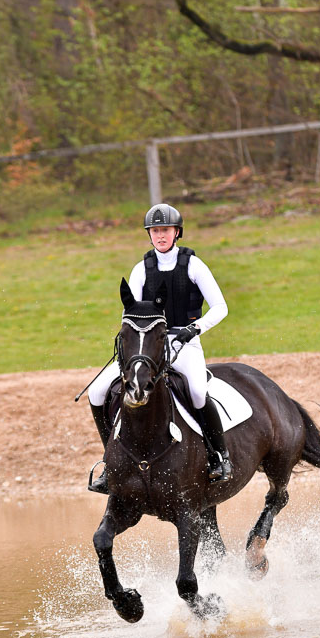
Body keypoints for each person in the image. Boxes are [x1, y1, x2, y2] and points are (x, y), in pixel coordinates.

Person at [88, 202, 233, 493]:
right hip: (147, 346)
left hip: (185, 341)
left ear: (177, 232)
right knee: (97, 391)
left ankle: (220, 457)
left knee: (196, 392)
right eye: (155, 231)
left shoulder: (193, 264)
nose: (160, 235)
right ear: (150, 235)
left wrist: (195, 329)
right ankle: (110, 461)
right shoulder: (141, 269)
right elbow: (130, 314)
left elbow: (221, 307)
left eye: (165, 230)